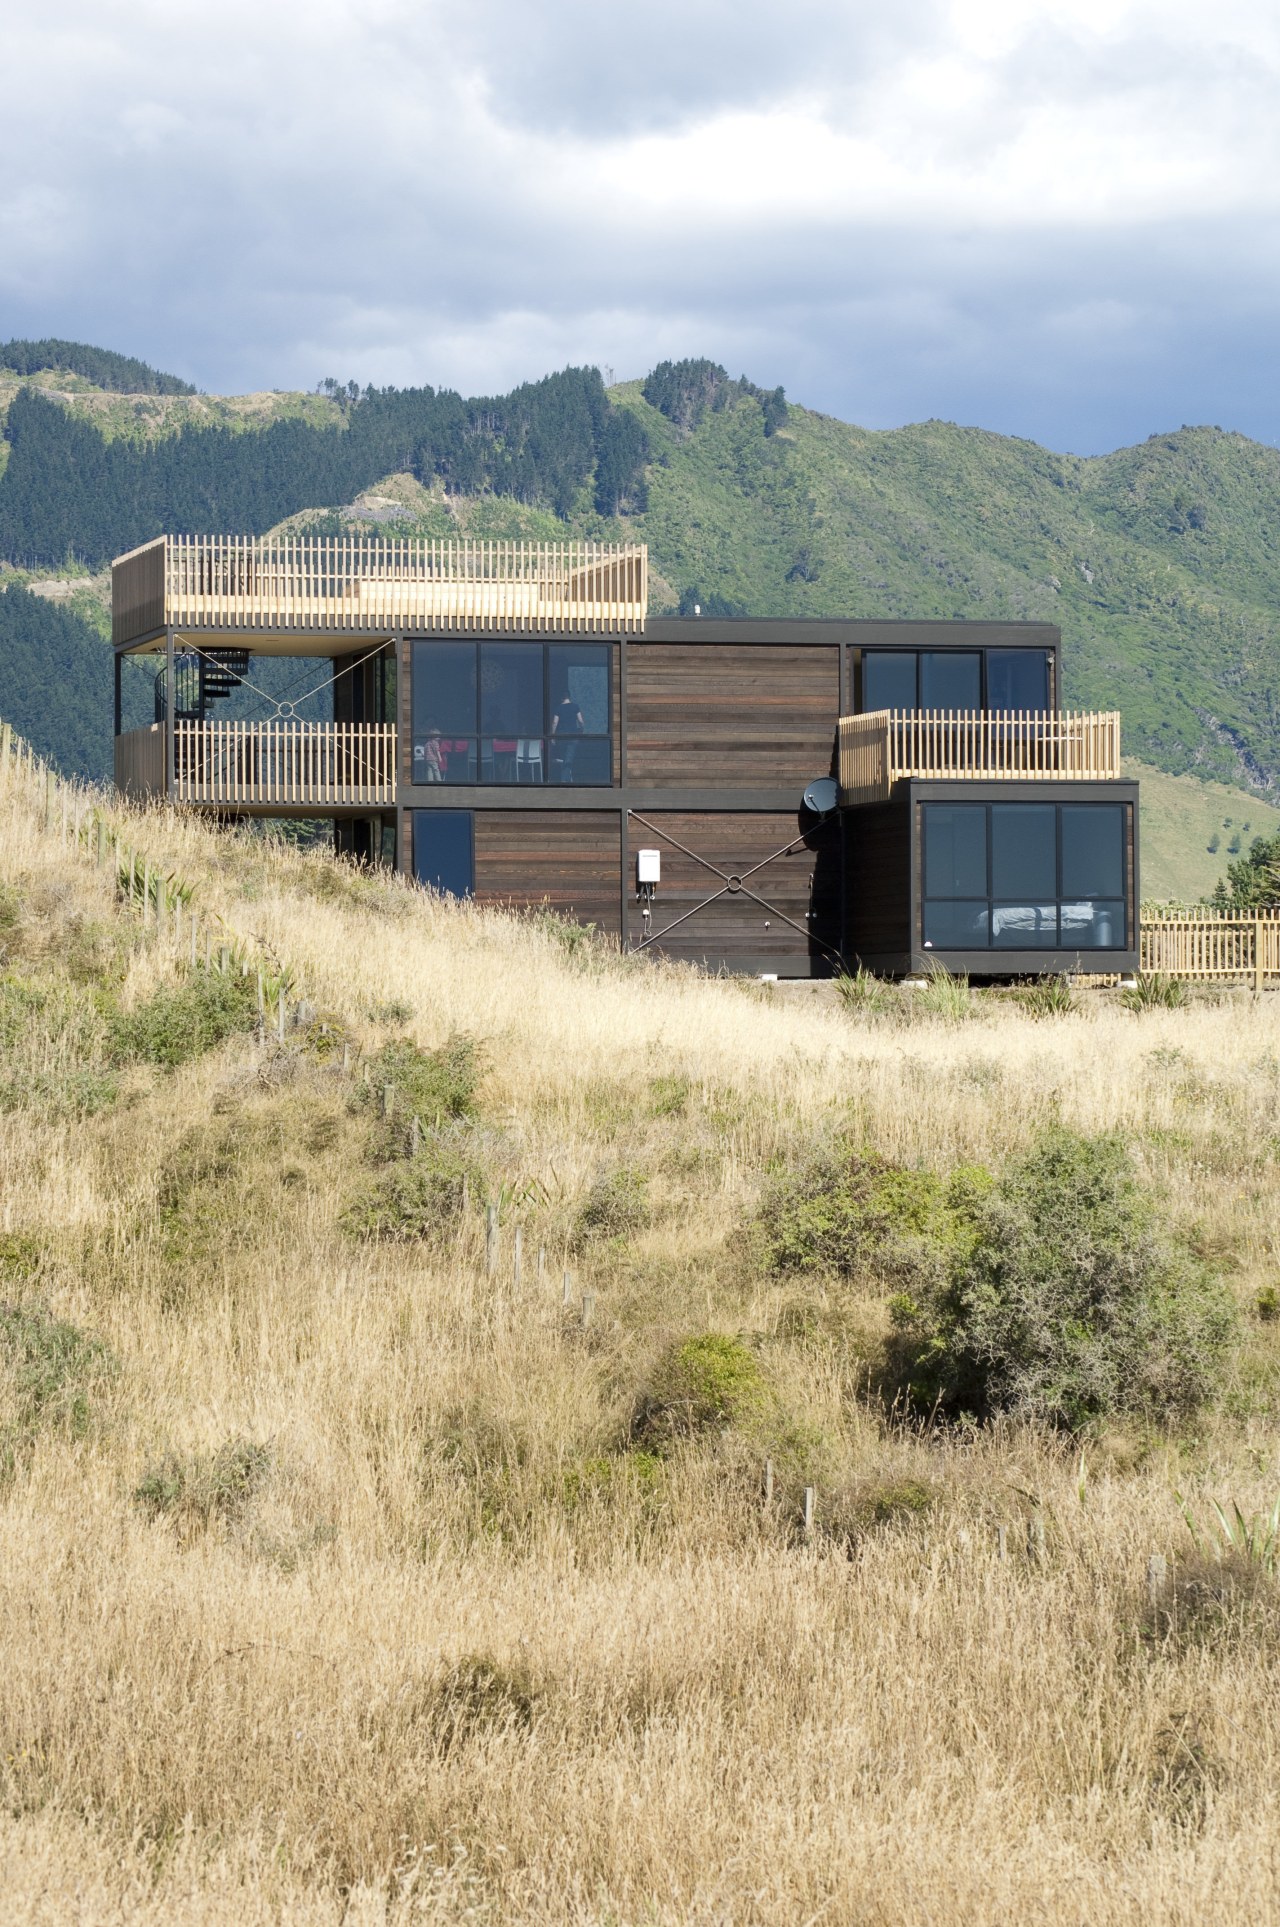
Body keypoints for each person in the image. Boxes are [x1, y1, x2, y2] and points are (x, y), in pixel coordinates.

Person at [551, 688, 584, 783]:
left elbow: (554, 723)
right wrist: (581, 730)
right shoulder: (575, 706)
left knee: (564, 759)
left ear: (562, 698)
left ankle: (565, 780)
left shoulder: (558, 708)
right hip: (573, 737)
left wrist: (552, 736)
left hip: (561, 737)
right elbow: (581, 721)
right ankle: (566, 781)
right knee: (568, 759)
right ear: (569, 697)